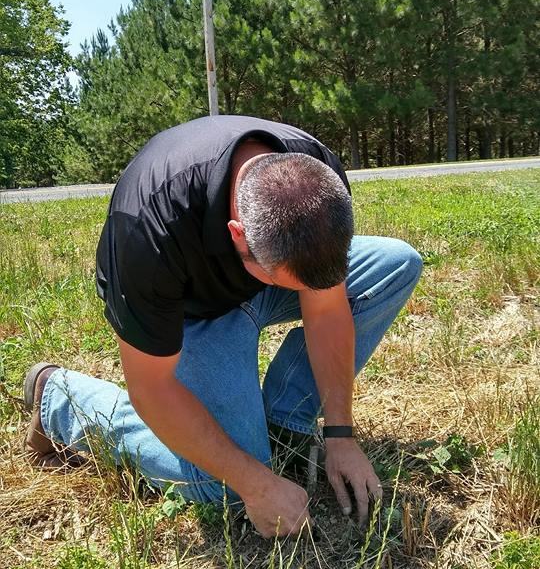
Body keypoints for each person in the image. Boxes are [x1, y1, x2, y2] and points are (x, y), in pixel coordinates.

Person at [23, 115, 422, 538]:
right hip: (192, 312)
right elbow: (152, 388)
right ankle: (59, 399)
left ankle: (285, 421)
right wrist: (254, 483)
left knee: (395, 264)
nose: (313, 294)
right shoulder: (149, 232)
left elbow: (325, 308)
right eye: (294, 283)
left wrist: (340, 432)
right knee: (223, 485)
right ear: (237, 235)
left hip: (262, 269)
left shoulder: (315, 176)